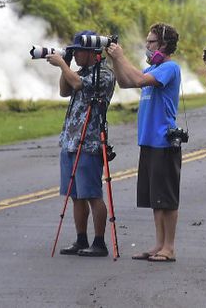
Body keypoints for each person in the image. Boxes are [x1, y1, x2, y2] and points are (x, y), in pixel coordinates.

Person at [106, 23, 182, 263]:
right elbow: (126, 82)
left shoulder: (169, 68)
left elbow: (138, 80)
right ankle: (158, 244)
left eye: (151, 42)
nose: (147, 46)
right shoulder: (155, 68)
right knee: (155, 198)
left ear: (163, 45)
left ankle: (169, 247)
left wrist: (121, 56)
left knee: (167, 198)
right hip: (148, 141)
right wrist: (116, 61)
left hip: (164, 142)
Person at [48, 30, 116, 258]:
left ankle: (99, 242)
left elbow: (77, 84)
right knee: (75, 195)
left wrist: (61, 65)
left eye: (78, 51)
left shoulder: (104, 74)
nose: (75, 55)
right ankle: (81, 239)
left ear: (91, 52)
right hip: (71, 141)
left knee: (92, 194)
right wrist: (65, 63)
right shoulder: (82, 71)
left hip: (89, 141)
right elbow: (64, 90)